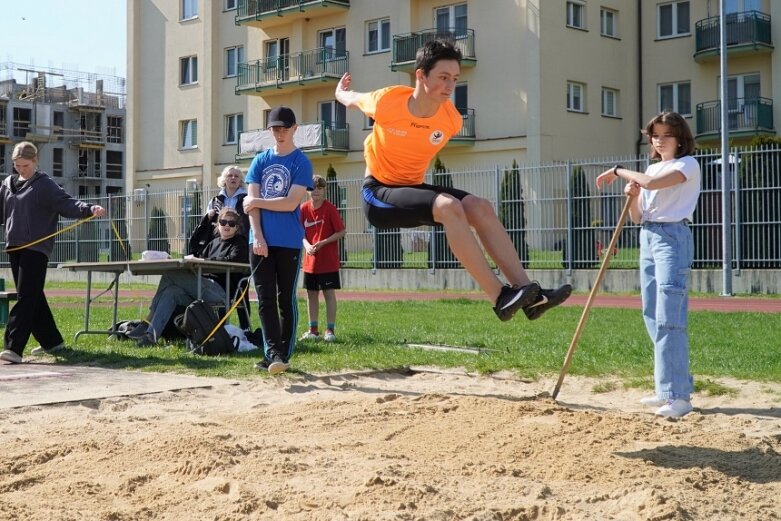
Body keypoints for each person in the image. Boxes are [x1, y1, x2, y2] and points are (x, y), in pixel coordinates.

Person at [335, 39, 571, 322]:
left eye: (455, 79)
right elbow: (351, 99)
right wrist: (340, 91)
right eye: (443, 77)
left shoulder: (450, 120)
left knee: (480, 206)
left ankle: (530, 296)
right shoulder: (387, 100)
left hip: (412, 187)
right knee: (449, 207)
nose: (450, 86)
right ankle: (499, 296)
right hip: (378, 193)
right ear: (420, 75)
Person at [596, 111, 700, 418]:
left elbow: (654, 183)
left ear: (680, 138)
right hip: (649, 235)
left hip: (673, 238)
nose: (659, 140)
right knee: (652, 313)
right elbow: (638, 217)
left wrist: (619, 171)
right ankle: (666, 388)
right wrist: (634, 196)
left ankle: (678, 397)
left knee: (669, 316)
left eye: (666, 135)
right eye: (655, 135)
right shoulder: (651, 168)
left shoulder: (687, 165)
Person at [0, 141, 106, 363]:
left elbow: (66, 203)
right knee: (34, 295)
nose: (21, 170)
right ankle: (52, 341)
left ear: (35, 161)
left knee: (26, 296)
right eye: (17, 165)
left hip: (36, 249)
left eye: (26, 165)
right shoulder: (7, 185)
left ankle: (14, 347)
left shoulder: (44, 184)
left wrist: (88, 209)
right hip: (14, 247)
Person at [243, 106, 313, 375]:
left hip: (288, 241)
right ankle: (271, 352)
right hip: (259, 240)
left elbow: (290, 203)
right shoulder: (260, 161)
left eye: (285, 128)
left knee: (286, 298)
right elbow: (251, 209)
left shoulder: (301, 162)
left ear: (295, 129)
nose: (279, 133)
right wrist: (257, 236)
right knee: (265, 299)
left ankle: (283, 352)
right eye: (275, 128)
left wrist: (256, 201)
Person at [128, 207, 249, 347]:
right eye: (223, 222)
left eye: (231, 223)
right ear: (218, 224)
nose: (227, 225)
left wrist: (205, 262)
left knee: (170, 274)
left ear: (237, 227)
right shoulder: (213, 243)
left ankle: (148, 319)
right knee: (171, 291)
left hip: (221, 291)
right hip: (202, 286)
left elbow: (233, 260)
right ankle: (151, 336)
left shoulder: (240, 242)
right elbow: (198, 256)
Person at [189, 165, 252, 330]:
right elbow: (209, 225)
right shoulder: (215, 200)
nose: (233, 178)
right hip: (219, 245)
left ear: (240, 181)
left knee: (241, 290)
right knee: (220, 285)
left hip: (240, 246)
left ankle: (245, 327)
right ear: (223, 179)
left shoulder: (246, 198)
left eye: (236, 176)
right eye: (230, 175)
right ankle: (220, 326)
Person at [299, 174, 346, 342]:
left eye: (319, 188)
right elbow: (300, 233)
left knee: (328, 293)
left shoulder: (330, 208)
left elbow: (341, 231)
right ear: (307, 190)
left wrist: (323, 242)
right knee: (311, 294)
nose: (316, 191)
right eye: (312, 188)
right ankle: (313, 330)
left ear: (324, 190)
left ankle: (330, 331)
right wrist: (306, 245)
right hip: (310, 261)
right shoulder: (303, 208)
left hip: (328, 261)